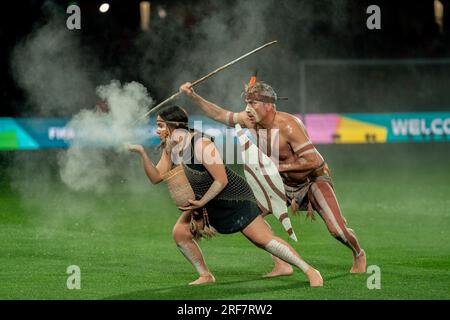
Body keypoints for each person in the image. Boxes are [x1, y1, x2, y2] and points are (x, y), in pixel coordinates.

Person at [179, 79, 366, 274]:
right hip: (281, 184)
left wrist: (277, 167)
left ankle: (358, 253)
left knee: (337, 231)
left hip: (311, 181)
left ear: (268, 106)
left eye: (253, 103)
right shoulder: (249, 120)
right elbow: (219, 114)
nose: (248, 108)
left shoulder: (289, 125)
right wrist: (193, 96)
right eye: (247, 103)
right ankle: (282, 263)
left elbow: (315, 162)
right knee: (250, 218)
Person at [127, 105, 323, 286]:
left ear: (174, 126)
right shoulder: (171, 147)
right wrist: (142, 153)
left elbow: (221, 180)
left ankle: (310, 270)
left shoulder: (201, 144)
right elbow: (156, 177)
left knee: (261, 239)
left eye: (160, 126)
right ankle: (206, 276)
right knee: (180, 233)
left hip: (232, 197)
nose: (157, 130)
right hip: (205, 200)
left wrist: (201, 202)